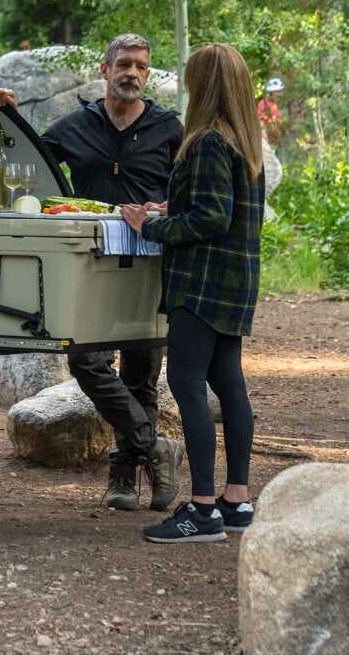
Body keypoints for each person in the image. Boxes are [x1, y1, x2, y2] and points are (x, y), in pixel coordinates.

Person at [0, 34, 184, 513]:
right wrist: (9, 115)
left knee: (142, 373)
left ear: (148, 73)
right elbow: (30, 158)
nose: (131, 74)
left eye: (140, 66)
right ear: (104, 69)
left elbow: (189, 189)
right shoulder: (76, 126)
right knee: (86, 361)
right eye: (123, 64)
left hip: (149, 264)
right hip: (90, 265)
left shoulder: (169, 129)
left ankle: (126, 472)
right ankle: (154, 445)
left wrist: (168, 207)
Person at [121, 42, 264, 544]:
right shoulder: (245, 141)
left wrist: (149, 227)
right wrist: (172, 207)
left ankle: (202, 510)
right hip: (236, 281)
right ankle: (236, 500)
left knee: (186, 384)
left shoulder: (205, 141)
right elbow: (216, 208)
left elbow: (210, 218)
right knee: (229, 383)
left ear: (202, 85)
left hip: (201, 285)